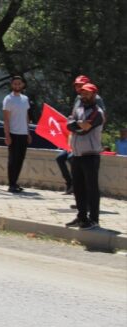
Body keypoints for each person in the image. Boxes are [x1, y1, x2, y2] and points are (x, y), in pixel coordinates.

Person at [65, 83, 105, 230]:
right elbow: (69, 125)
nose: (84, 96)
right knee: (78, 187)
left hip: (90, 155)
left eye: (87, 93)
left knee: (92, 188)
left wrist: (76, 126)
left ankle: (94, 219)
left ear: (94, 95)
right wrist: (77, 125)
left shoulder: (97, 112)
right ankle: (81, 217)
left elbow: (85, 130)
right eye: (82, 93)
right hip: (76, 154)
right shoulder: (78, 109)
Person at [2, 76, 31, 193]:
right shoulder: (8, 99)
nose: (17, 86)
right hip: (13, 133)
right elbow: (6, 119)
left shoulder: (25, 99)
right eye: (15, 84)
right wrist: (7, 135)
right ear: (11, 85)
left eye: (19, 84)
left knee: (20, 158)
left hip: (23, 133)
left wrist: (28, 133)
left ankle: (15, 182)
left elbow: (26, 116)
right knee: (13, 159)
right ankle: (11, 184)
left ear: (22, 85)